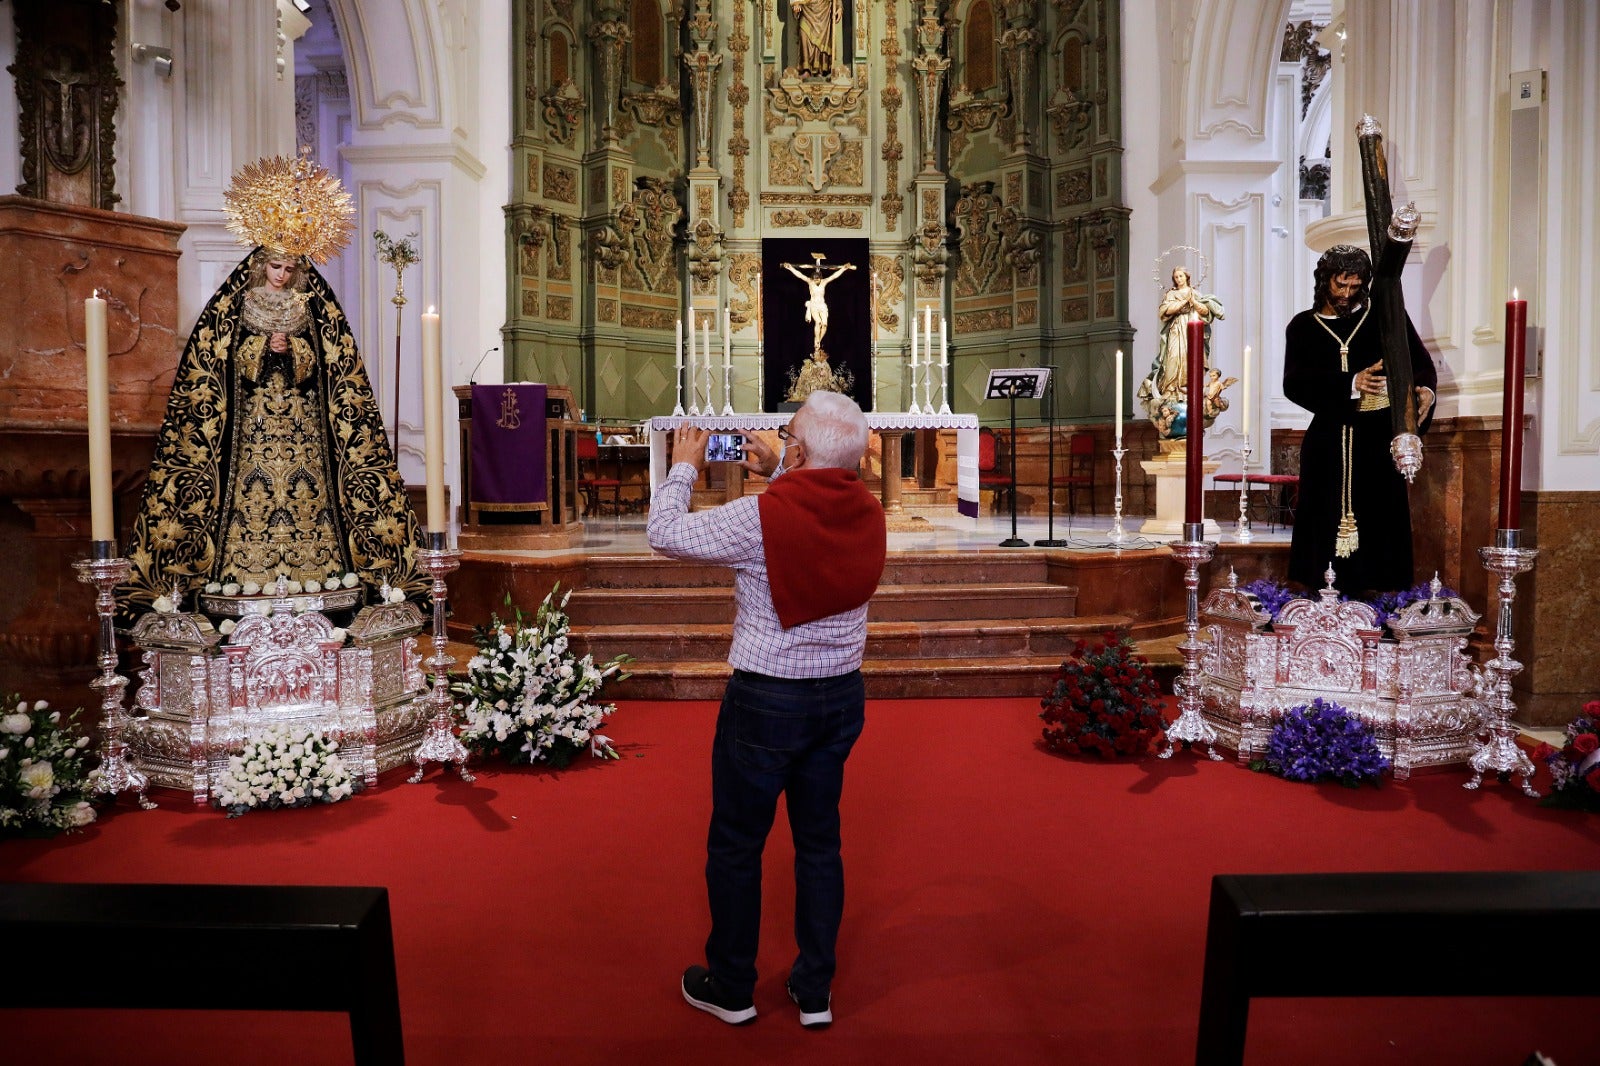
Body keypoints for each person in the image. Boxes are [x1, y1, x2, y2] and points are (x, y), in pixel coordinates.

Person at [647, 391, 887, 1031]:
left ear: (801, 450)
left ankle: (731, 985)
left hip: (768, 700)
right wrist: (785, 466)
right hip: (840, 698)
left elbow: (663, 534)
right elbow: (813, 507)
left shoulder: (759, 517)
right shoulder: (869, 510)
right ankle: (814, 991)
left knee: (735, 843)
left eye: (789, 438)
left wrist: (684, 466)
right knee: (819, 844)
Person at [123, 245, 424, 614]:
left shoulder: (308, 304)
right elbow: (221, 357)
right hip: (253, 422)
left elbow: (329, 358)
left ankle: (320, 569)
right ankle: (243, 575)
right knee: (250, 489)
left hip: (302, 423)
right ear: (261, 266)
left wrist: (295, 349)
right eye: (275, 266)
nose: (281, 274)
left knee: (309, 491)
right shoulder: (240, 302)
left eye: (288, 268)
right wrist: (261, 348)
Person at [1284, 244, 1437, 595]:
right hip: (1327, 443)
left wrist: (1426, 388)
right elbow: (1293, 383)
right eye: (1340, 285)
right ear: (1324, 281)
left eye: (1355, 287)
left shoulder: (1383, 316)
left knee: (1380, 520)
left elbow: (1419, 361)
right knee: (1322, 520)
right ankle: (1321, 601)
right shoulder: (1303, 327)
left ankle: (1379, 604)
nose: (1347, 294)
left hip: (1377, 441)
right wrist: (1351, 383)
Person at [1144, 266, 1225, 405]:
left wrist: (1193, 301)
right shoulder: (1171, 294)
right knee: (1173, 357)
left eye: (1181, 276)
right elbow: (1164, 310)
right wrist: (1183, 302)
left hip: (1192, 329)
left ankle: (1189, 388)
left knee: (1191, 357)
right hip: (1176, 329)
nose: (1179, 279)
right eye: (1176, 277)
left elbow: (1205, 311)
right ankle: (1171, 389)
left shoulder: (1195, 293)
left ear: (1187, 276)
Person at [782, 257, 856, 355]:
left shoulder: (824, 281)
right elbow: (799, 275)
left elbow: (834, 276)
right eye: (814, 279)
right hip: (814, 306)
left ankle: (818, 341)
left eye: (817, 279)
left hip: (822, 306)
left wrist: (843, 268)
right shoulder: (810, 281)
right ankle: (817, 342)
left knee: (825, 324)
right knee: (818, 322)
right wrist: (790, 268)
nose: (816, 281)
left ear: (820, 278)